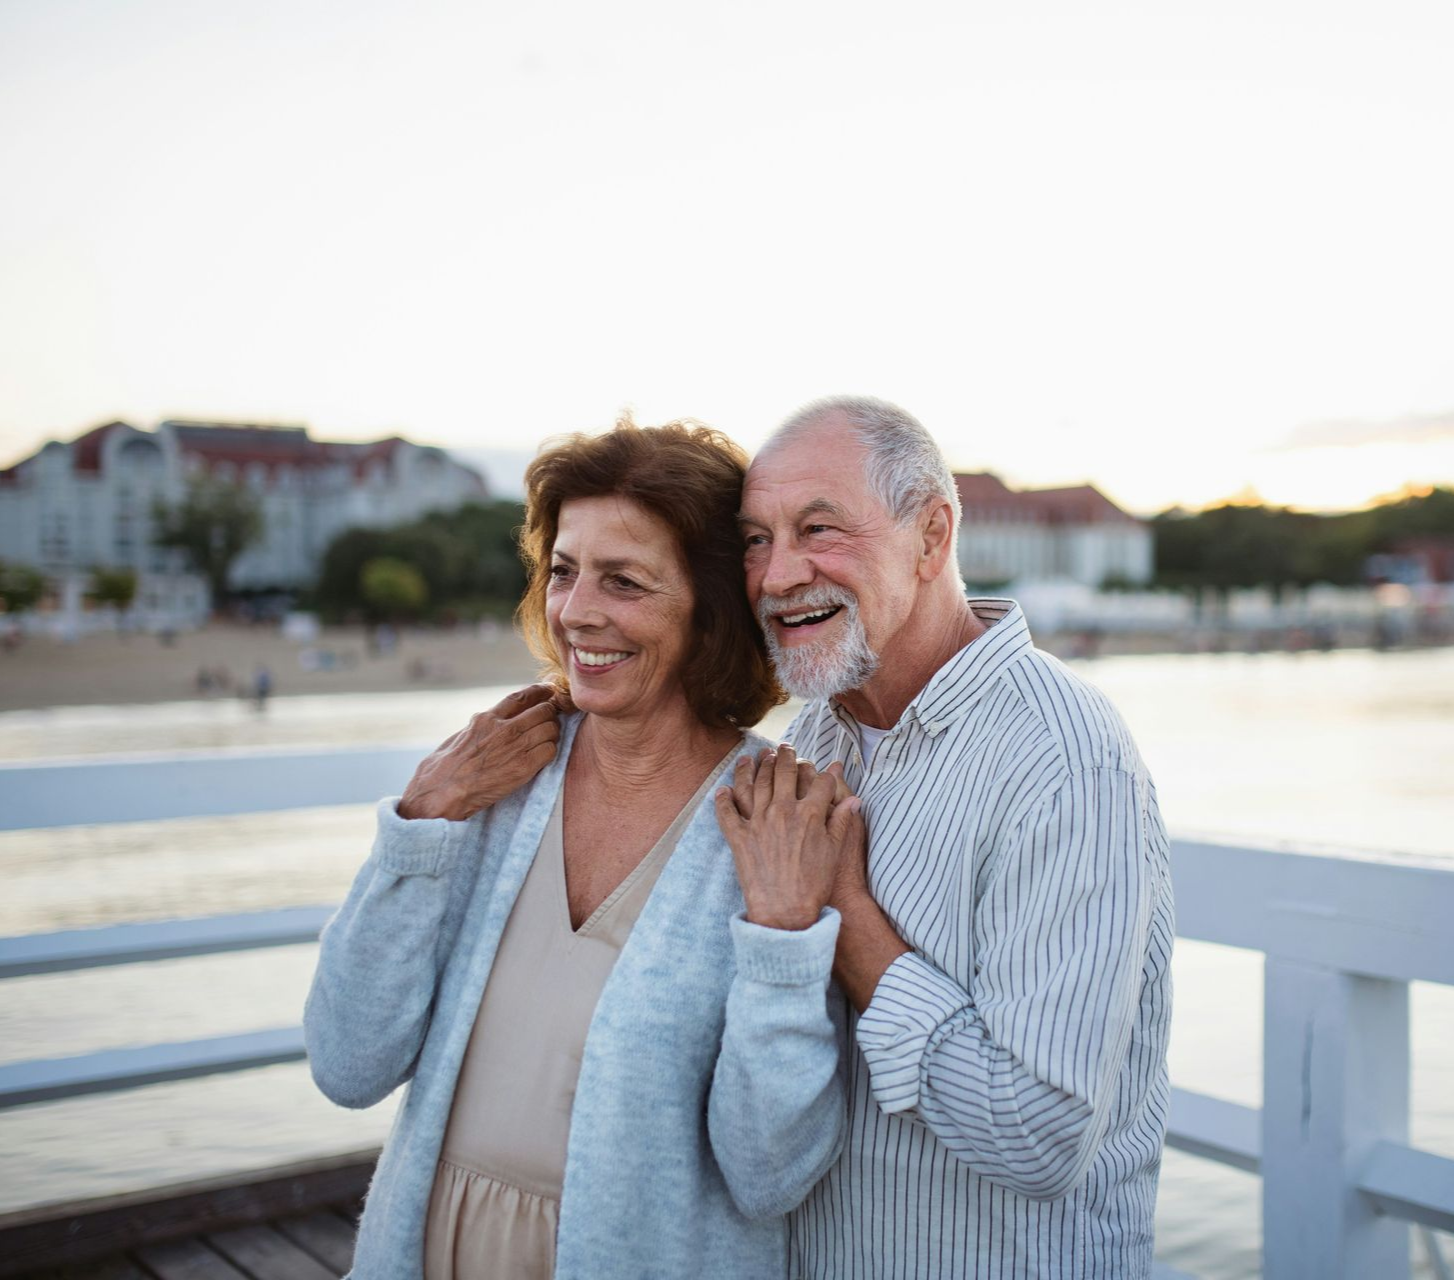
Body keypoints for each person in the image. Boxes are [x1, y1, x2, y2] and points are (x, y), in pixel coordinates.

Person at [304, 417, 852, 1280]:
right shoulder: (488, 780)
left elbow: (768, 1173)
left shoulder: (772, 821)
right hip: (428, 1248)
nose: (577, 611)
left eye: (624, 582)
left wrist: (784, 938)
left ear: (713, 609)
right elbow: (347, 1062)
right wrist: (420, 824)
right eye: (563, 571)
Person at [716, 395, 1174, 1278]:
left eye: (819, 527)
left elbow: (1039, 1133)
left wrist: (844, 913)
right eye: (755, 539)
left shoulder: (1064, 760)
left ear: (932, 537)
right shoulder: (811, 742)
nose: (776, 576)